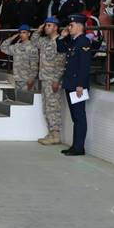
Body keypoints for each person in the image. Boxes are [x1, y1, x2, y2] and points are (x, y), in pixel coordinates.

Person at [57, 14, 92, 157]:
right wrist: (61, 37)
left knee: (79, 117)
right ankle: (75, 146)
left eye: (71, 25)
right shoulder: (73, 41)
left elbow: (84, 66)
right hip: (70, 84)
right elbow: (61, 49)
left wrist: (80, 85)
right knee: (75, 117)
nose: (68, 28)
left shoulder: (83, 41)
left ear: (79, 26)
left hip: (77, 85)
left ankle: (79, 148)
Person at [34, 17, 67, 145]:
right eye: (46, 25)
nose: (46, 27)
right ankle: (50, 133)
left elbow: (60, 63)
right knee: (46, 108)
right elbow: (34, 41)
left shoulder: (59, 41)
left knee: (53, 107)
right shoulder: (44, 41)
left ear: (55, 27)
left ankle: (56, 134)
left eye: (49, 25)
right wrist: (39, 30)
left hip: (52, 79)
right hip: (44, 78)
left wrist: (56, 80)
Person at [0, 24, 40, 93]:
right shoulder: (17, 46)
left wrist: (31, 78)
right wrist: (12, 38)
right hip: (17, 79)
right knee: (18, 101)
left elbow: (34, 65)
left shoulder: (32, 47)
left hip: (27, 80)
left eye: (24, 32)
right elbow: (3, 48)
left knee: (26, 101)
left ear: (29, 34)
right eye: (20, 33)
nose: (21, 34)